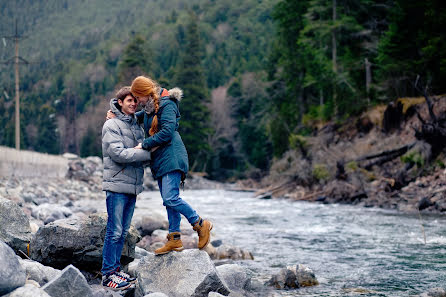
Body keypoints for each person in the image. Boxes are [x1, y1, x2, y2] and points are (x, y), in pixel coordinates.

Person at [131, 75, 213, 255]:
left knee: (170, 198)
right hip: (161, 159)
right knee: (170, 201)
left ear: (145, 93)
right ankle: (174, 239)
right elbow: (132, 117)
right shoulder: (148, 109)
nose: (137, 102)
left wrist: (144, 144)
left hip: (173, 157)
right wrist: (116, 111)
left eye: (138, 98)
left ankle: (200, 223)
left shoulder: (167, 104)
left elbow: (167, 132)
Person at [101, 86, 151, 290]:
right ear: (119, 102)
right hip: (116, 184)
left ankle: (116, 270)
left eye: (134, 101)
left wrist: (143, 150)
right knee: (114, 231)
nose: (133, 103)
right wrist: (148, 153)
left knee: (122, 233)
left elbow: (139, 150)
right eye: (128, 100)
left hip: (132, 186)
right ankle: (108, 275)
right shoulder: (111, 124)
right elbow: (119, 154)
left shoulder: (135, 126)